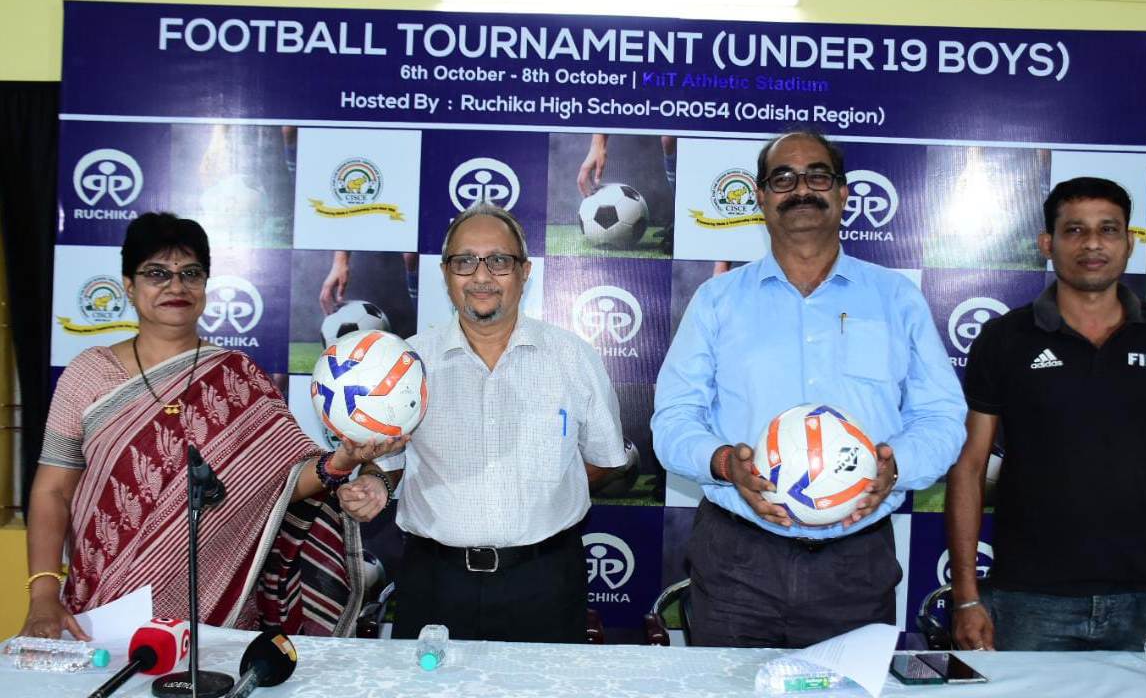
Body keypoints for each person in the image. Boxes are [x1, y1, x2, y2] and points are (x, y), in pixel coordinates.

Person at [21, 212, 404, 639]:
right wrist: (43, 594)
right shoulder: (88, 374)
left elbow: (279, 484)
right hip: (102, 612)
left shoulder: (239, 376)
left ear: (205, 284)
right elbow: (52, 490)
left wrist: (343, 460)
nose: (176, 286)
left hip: (219, 619)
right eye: (157, 273)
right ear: (129, 285)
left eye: (190, 273)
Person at [652, 130, 966, 648]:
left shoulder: (896, 298)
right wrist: (725, 463)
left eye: (817, 176)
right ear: (760, 197)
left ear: (842, 193)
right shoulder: (716, 301)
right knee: (727, 689)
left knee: (848, 687)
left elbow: (941, 416)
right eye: (783, 179)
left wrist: (896, 466)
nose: (801, 189)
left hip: (855, 565)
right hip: (737, 564)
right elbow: (673, 418)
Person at [946, 177, 1146, 651]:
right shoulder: (1005, 338)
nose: (1093, 243)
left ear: (1128, 244)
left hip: (1145, 596)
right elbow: (969, 468)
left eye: (1108, 229)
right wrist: (967, 597)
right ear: (1047, 244)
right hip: (1028, 598)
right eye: (1074, 230)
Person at [337, 203, 627, 643]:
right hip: (434, 583)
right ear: (445, 273)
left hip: (546, 582)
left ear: (525, 271)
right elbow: (387, 465)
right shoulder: (406, 364)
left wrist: (542, 497)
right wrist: (376, 484)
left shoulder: (573, 358)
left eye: (499, 260)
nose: (481, 276)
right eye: (465, 261)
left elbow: (605, 461)